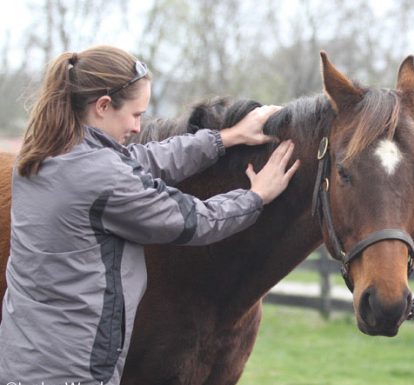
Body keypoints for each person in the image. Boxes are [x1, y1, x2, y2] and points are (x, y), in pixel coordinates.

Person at [0, 45, 299, 384]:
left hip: (24, 363)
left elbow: (143, 158)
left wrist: (225, 138)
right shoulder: (100, 176)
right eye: (136, 114)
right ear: (102, 107)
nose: (138, 126)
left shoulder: (45, 154)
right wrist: (256, 196)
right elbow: (194, 220)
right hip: (73, 371)